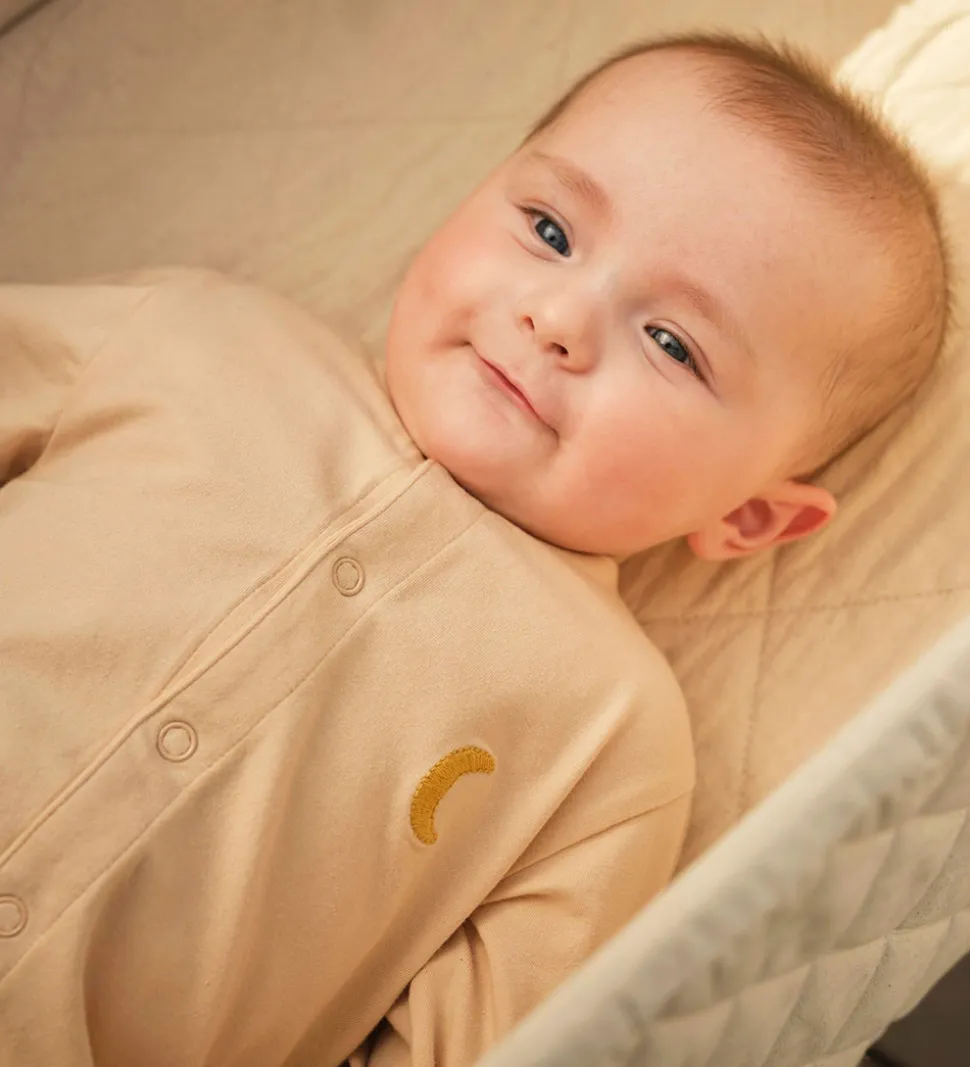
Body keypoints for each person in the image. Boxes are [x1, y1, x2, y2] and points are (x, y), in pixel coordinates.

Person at [0, 31, 949, 1067]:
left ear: (748, 518)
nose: (557, 317)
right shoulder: (200, 336)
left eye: (672, 343)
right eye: (549, 229)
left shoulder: (612, 737)